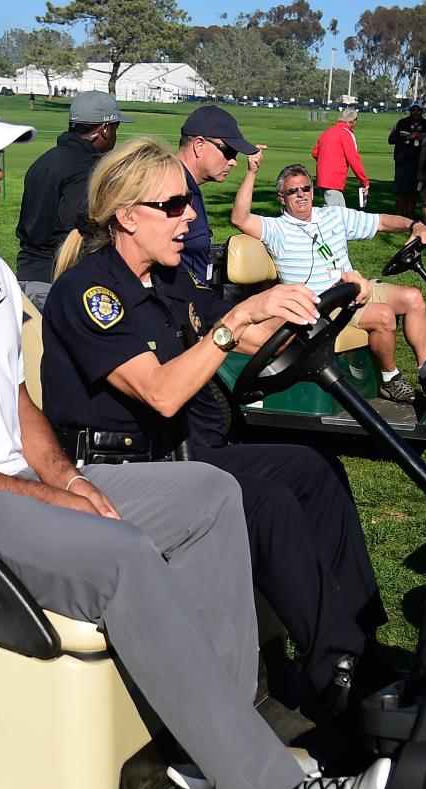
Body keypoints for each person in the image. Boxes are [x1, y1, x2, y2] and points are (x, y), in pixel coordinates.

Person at [0, 79, 392, 789]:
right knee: (123, 556)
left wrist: (66, 479)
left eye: (0, 155)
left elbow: (17, 406)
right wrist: (42, 496)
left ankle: (218, 742)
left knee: (211, 491)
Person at [42, 137, 388, 714]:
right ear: (127, 217)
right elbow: (162, 392)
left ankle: (363, 636)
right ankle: (336, 670)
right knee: (265, 500)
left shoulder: (171, 281)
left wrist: (304, 315)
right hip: (114, 473)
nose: (188, 218)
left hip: (176, 456)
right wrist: (236, 321)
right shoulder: (91, 293)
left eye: (188, 205)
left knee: (314, 466)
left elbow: (242, 335)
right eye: (171, 207)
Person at [232, 158, 426, 403]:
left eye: (306, 188)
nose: (301, 195)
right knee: (383, 315)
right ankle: (389, 379)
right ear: (281, 198)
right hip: (323, 306)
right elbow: (240, 218)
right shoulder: (276, 229)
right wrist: (252, 171)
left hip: (354, 288)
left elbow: (381, 221)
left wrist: (413, 225)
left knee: (413, 297)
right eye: (292, 191)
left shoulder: (333, 215)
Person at [15, 90, 134, 308]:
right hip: (57, 282)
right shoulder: (87, 169)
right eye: (116, 127)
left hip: (26, 276)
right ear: (104, 129)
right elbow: (80, 229)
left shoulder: (44, 160)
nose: (116, 136)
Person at [175, 105, 258, 282]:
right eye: (228, 151)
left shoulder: (188, 185)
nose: (234, 162)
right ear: (199, 145)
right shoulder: (170, 189)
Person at [311, 107, 370, 208]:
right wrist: (364, 180)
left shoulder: (328, 132)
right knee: (336, 213)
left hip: (322, 177)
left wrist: (326, 161)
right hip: (334, 179)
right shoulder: (346, 134)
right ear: (352, 121)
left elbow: (315, 152)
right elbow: (354, 160)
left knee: (336, 210)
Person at [386, 103, 426, 218]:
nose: (415, 112)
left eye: (418, 110)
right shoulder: (402, 123)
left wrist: (423, 137)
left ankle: (410, 217)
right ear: (410, 110)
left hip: (418, 164)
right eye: (413, 110)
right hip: (402, 163)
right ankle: (398, 216)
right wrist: (408, 137)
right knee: (400, 192)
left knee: (413, 193)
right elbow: (391, 140)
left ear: (422, 111)